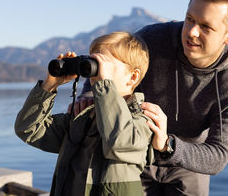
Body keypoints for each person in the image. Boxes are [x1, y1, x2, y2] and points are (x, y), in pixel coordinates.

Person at [77, 0, 228, 196]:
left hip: (187, 162)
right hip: (134, 152)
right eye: (190, 19)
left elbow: (217, 156)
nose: (192, 32)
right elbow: (105, 62)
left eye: (206, 27)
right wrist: (87, 97)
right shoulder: (152, 39)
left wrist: (167, 145)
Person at [15, 31, 154, 196]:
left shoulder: (143, 119)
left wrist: (104, 85)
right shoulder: (83, 118)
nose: (95, 72)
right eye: (93, 63)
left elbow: (118, 141)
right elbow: (29, 129)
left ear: (132, 76)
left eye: (104, 65)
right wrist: (48, 87)